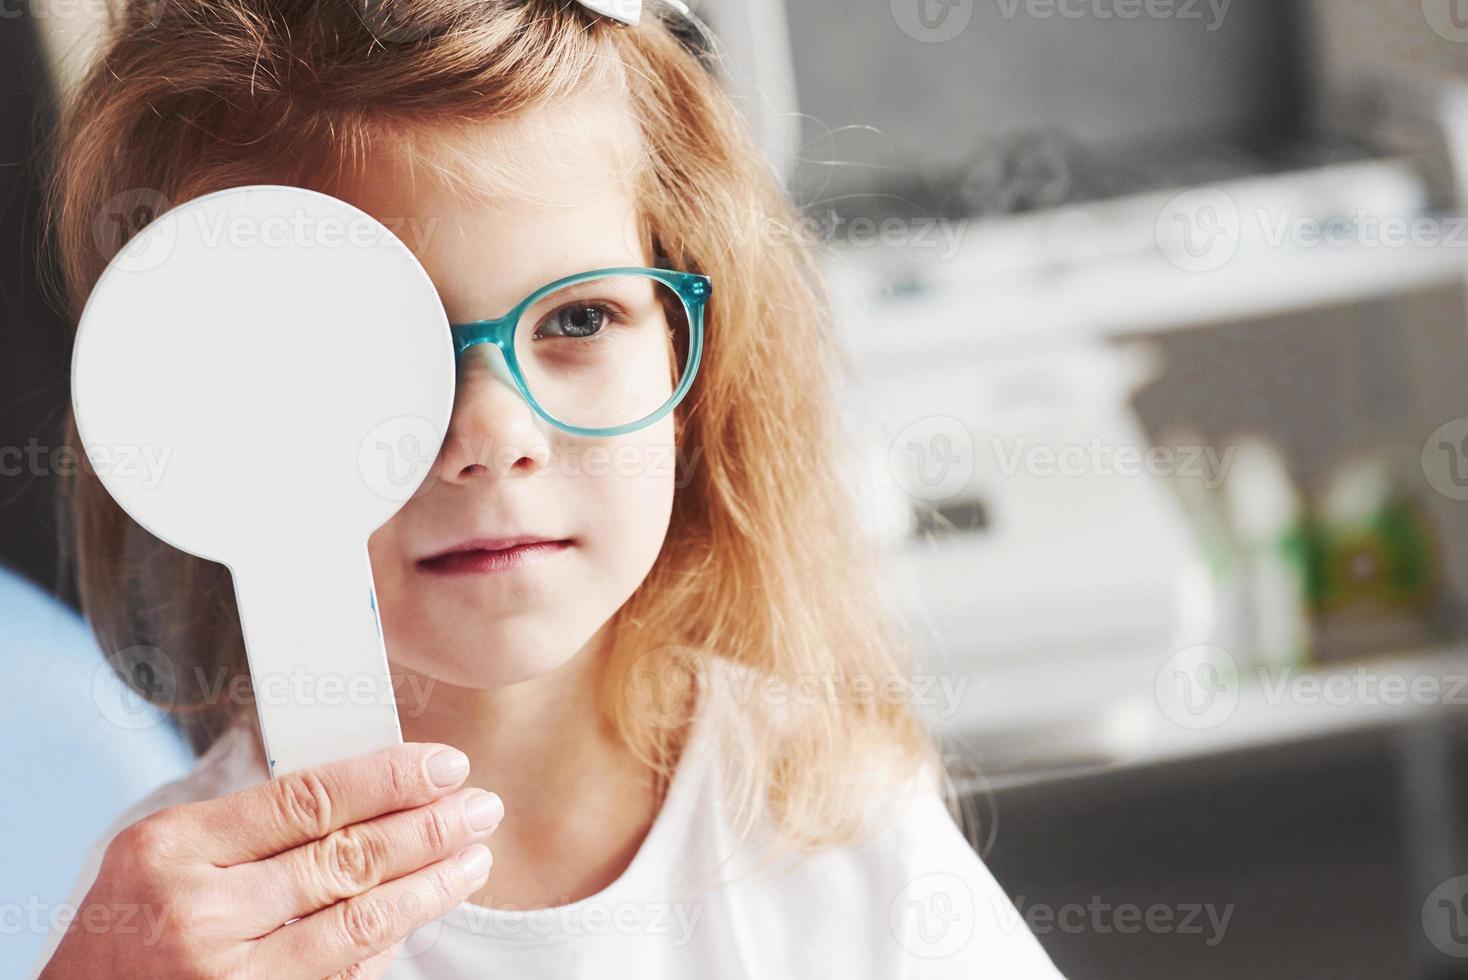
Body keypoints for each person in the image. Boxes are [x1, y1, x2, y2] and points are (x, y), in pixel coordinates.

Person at [35, 0, 1063, 976]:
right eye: (369, 352)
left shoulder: (826, 814)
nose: (491, 434)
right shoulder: (177, 918)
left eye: (577, 320)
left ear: (687, 366)